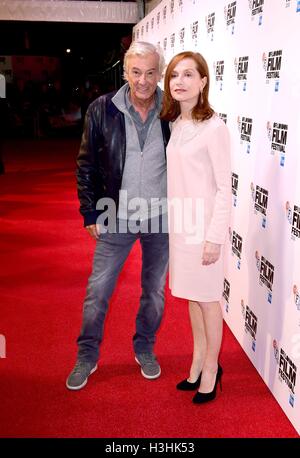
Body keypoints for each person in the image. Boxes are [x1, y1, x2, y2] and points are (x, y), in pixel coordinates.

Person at [66, 41, 170, 390]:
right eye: (136, 72)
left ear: (159, 73)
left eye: (150, 72)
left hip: (160, 218)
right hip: (117, 216)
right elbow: (87, 164)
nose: (143, 80)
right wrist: (90, 211)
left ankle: (145, 348)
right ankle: (87, 355)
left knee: (154, 292)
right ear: (125, 72)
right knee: (98, 291)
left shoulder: (171, 112)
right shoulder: (102, 109)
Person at [160, 51, 231, 403]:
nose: (180, 81)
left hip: (204, 231)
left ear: (203, 81)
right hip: (182, 228)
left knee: (208, 301)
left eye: (189, 75)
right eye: (174, 75)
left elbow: (223, 188)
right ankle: (198, 360)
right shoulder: (178, 124)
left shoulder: (214, 127)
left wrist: (214, 238)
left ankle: (212, 369)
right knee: (192, 298)